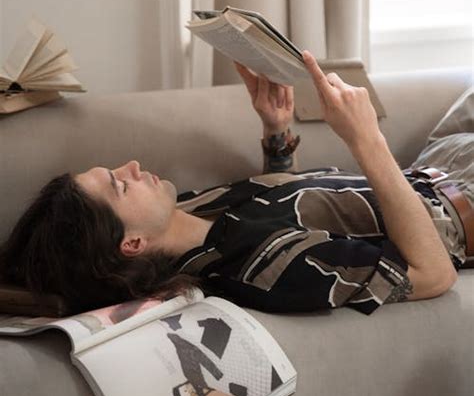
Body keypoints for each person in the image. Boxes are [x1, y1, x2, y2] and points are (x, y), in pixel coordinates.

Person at [0, 51, 472, 316]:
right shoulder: (259, 271)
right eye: (119, 186)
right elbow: (433, 276)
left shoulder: (186, 213)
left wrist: (276, 132)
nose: (131, 166)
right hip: (460, 207)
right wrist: (367, 139)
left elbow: (289, 206)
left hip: (438, 161)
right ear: (133, 243)